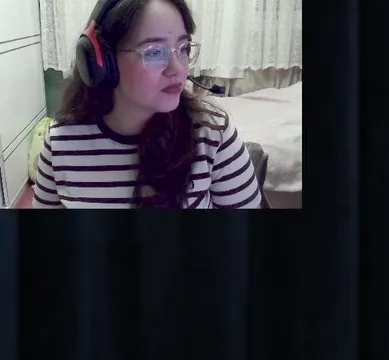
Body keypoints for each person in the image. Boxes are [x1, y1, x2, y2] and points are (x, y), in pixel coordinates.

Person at [31, 0, 262, 209]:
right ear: (102, 62)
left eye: (184, 48)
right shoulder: (61, 143)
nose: (178, 69)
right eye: (155, 52)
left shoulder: (212, 132)